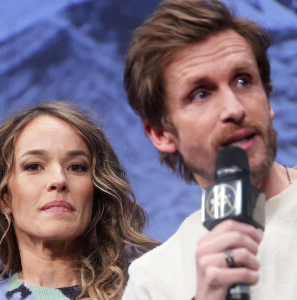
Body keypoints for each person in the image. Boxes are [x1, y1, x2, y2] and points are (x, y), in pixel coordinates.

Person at [122, 0, 297, 299]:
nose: (234, 108)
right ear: (161, 133)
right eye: (200, 93)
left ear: (267, 100)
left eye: (243, 81)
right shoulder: (152, 281)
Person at [0, 101, 158, 300]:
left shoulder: (143, 293)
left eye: (76, 167)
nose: (59, 179)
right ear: (4, 198)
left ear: (96, 193)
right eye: (33, 166)